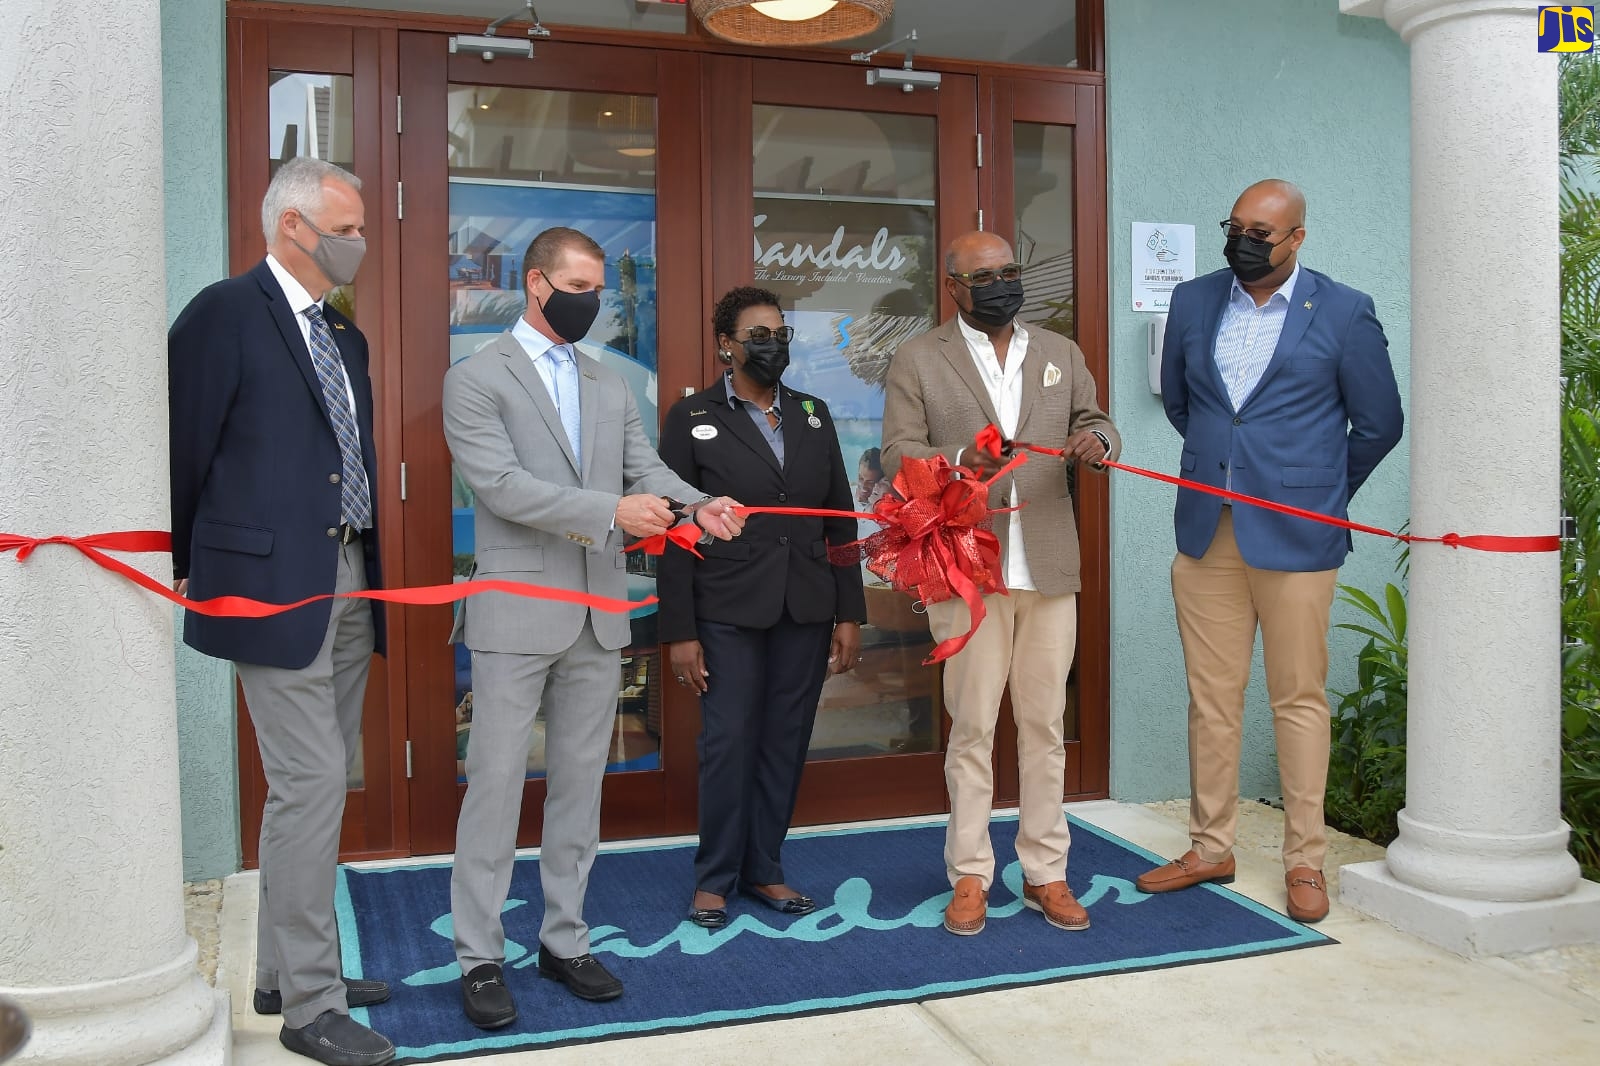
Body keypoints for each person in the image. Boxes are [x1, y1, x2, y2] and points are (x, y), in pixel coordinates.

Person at [443, 227, 745, 1029]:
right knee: (497, 789)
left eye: (600, 290)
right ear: (537, 284)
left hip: (597, 616)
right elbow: (502, 488)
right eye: (580, 286)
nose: (593, 302)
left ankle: (563, 938)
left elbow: (643, 468)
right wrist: (611, 512)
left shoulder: (607, 381)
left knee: (579, 790)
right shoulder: (475, 379)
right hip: (514, 615)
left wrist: (695, 504)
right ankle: (479, 955)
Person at [168, 156, 394, 1066]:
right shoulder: (224, 314)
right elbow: (184, 447)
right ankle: (309, 1005)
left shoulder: (347, 339)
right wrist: (191, 566)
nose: (361, 243)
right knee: (308, 784)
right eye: (349, 227)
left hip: (347, 576)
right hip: (267, 587)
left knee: (317, 779)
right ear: (294, 227)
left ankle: (280, 967)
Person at [1138, 179, 1403, 923]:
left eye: (1263, 231)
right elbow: (1186, 405)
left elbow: (1379, 422)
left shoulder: (1345, 311)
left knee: (1297, 699)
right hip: (1206, 530)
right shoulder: (1193, 300)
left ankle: (1305, 860)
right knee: (1211, 699)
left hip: (1298, 534)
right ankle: (1210, 844)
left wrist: (1317, 492)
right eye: (1236, 226)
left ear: (1297, 239)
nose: (1245, 240)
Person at [881, 230, 1120, 937]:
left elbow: (1095, 420)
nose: (1001, 284)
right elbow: (898, 454)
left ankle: (1047, 871)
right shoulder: (919, 357)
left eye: (1010, 271)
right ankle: (971, 875)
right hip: (966, 570)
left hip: (1048, 565)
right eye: (983, 276)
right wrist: (964, 459)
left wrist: (1098, 443)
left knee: (1045, 727)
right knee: (974, 728)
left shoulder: (1060, 353)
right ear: (953, 286)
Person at [656, 286, 867, 929]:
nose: (772, 344)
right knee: (728, 742)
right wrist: (680, 632)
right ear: (727, 343)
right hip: (726, 608)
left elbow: (839, 518)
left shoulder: (813, 413)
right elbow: (673, 526)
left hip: (805, 605)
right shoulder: (690, 416)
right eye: (759, 334)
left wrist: (849, 613)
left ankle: (765, 870)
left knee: (784, 740)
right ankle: (715, 878)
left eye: (780, 334)